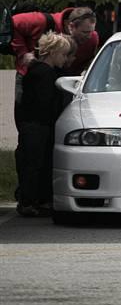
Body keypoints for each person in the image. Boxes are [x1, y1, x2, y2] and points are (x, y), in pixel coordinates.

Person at [15, 32, 70, 216]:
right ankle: (29, 201)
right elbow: (45, 102)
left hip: (32, 124)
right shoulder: (45, 74)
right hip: (37, 124)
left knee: (34, 163)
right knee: (34, 163)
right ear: (53, 53)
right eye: (63, 54)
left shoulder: (37, 71)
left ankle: (31, 199)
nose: (65, 59)